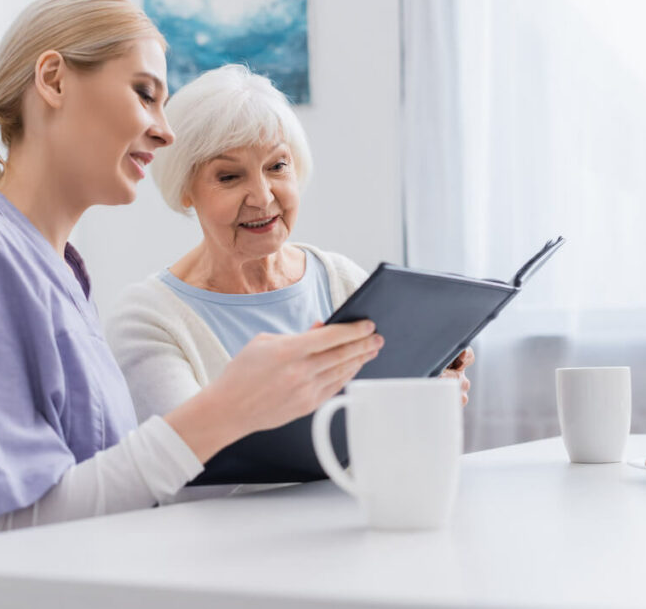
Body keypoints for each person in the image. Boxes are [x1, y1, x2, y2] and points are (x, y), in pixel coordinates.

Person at [0, 0, 383, 554]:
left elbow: (97, 493)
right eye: (145, 94)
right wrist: (226, 410)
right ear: (52, 79)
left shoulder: (53, 271)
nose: (166, 131)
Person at [106, 65, 473, 438]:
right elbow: (182, 468)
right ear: (185, 188)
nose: (263, 197)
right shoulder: (147, 318)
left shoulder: (342, 280)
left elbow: (385, 439)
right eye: (229, 177)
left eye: (277, 166)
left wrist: (426, 398)